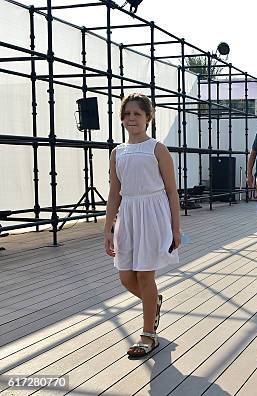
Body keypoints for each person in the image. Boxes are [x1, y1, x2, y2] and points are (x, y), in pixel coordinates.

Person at [104, 93, 181, 358]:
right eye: (127, 114)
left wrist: (176, 227)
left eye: (137, 113)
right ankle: (154, 302)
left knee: (145, 276)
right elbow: (115, 193)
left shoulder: (156, 148)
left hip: (153, 215)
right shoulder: (118, 152)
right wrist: (108, 228)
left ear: (148, 117)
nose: (131, 118)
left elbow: (172, 191)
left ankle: (149, 334)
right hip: (128, 215)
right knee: (126, 276)